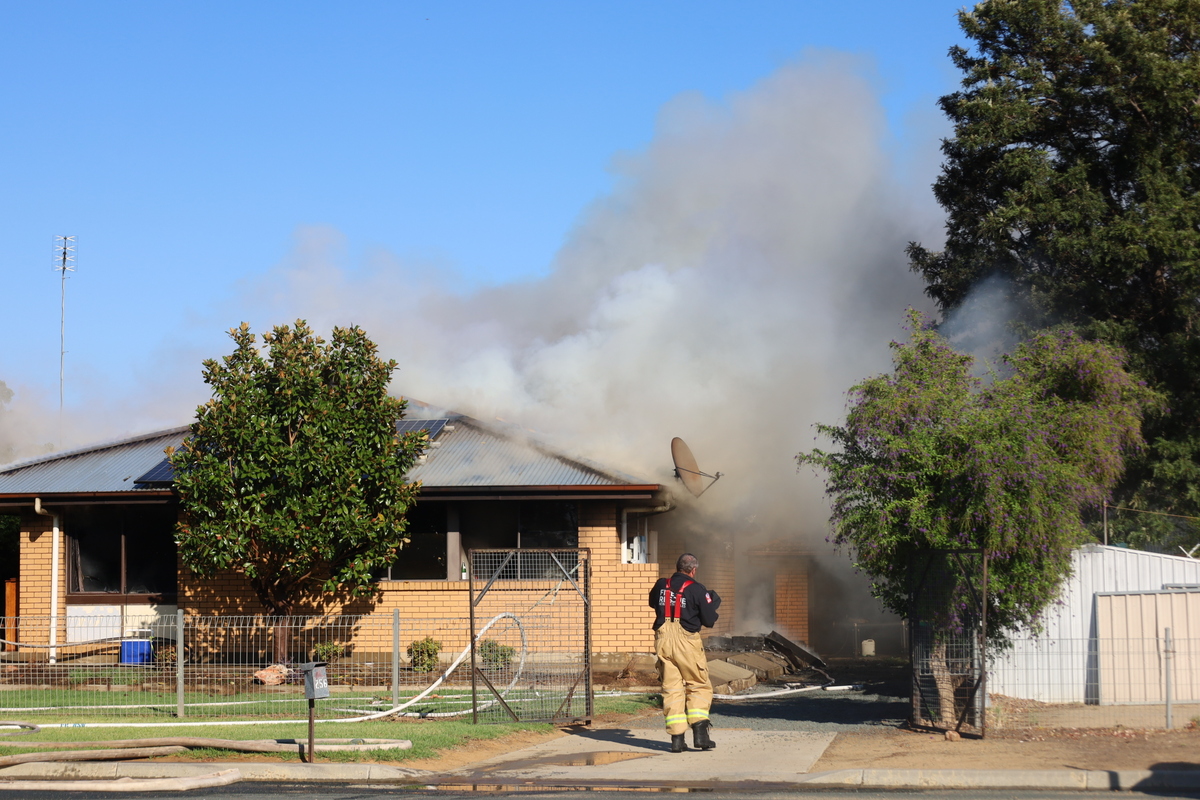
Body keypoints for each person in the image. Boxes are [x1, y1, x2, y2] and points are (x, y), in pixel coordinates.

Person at [648, 552, 721, 753]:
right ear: (693, 570)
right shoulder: (697, 590)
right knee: (698, 684)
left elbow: (654, 603)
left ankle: (677, 741)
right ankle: (701, 736)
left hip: (663, 641)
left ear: (678, 566)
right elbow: (709, 621)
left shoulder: (661, 584)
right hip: (687, 642)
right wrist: (711, 603)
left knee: (671, 688)